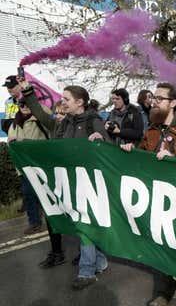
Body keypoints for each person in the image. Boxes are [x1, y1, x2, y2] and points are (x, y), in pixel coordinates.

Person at [121, 82, 176, 306]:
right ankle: (163, 293)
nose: (154, 102)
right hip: (157, 197)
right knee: (161, 242)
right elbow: (144, 158)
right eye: (153, 98)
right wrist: (131, 151)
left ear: (173, 103)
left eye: (159, 98)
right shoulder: (152, 130)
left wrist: (174, 156)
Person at [19, 77, 111, 287]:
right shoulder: (65, 123)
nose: (63, 102)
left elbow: (107, 148)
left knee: (84, 225)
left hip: (89, 183)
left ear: (80, 102)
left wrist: (101, 139)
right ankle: (99, 260)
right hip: (69, 183)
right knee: (80, 225)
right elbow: (54, 146)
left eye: (67, 98)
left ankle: (87, 272)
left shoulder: (93, 121)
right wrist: (26, 145)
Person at [7, 100, 50, 235]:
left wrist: (27, 144)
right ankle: (34, 223)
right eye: (22, 105)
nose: (25, 107)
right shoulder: (15, 123)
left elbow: (48, 138)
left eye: (27, 104)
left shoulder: (40, 119)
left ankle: (53, 220)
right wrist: (13, 143)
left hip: (41, 165)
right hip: (24, 166)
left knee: (46, 194)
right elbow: (10, 141)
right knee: (29, 195)